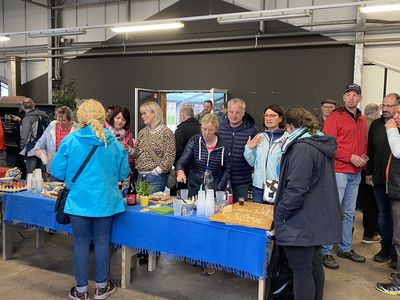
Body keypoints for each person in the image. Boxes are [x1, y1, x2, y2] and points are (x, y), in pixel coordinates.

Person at [52, 99, 130, 300]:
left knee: (80, 243)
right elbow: (123, 174)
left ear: (81, 117)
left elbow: (57, 170)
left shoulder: (71, 140)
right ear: (104, 117)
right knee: (103, 242)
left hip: (78, 201)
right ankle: (102, 288)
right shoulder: (114, 143)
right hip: (106, 201)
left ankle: (80, 291)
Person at [274, 106, 341, 300]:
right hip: (315, 217)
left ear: (289, 126)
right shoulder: (318, 143)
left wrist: (280, 214)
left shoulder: (302, 148)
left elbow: (296, 189)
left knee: (302, 270)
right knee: (313, 266)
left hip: (301, 220)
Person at [321, 83, 368, 269]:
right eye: (348, 94)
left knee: (349, 213)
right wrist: (350, 157)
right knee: (333, 211)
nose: (351, 98)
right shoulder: (335, 117)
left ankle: (345, 248)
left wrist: (363, 158)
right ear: (343, 97)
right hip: (339, 171)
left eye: (355, 95)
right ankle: (324, 251)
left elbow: (362, 143)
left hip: (355, 173)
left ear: (359, 99)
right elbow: (328, 144)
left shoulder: (362, 119)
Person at [366, 93, 400, 264]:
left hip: (396, 183)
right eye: (383, 105)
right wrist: (369, 172)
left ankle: (396, 255)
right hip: (380, 178)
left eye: (389, 106)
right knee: (383, 215)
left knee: (397, 218)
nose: (385, 109)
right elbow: (370, 149)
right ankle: (385, 248)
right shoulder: (376, 125)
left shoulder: (397, 125)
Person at [376, 99, 400, 295]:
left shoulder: (394, 131)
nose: (395, 117)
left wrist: (391, 129)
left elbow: (398, 151)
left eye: (399, 113)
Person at [176, 113, 230, 197]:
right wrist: (180, 170)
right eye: (204, 129)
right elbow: (184, 159)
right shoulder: (194, 141)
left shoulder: (224, 146)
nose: (206, 132)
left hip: (214, 185)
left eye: (210, 130)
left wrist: (219, 188)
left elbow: (227, 169)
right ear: (201, 127)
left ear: (216, 129)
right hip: (194, 185)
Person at [244, 104, 287, 204]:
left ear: (280, 118)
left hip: (275, 185)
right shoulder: (260, 137)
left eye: (272, 116)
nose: (268, 118)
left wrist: (287, 146)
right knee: (258, 217)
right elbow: (252, 162)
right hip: (258, 185)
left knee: (272, 216)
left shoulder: (287, 138)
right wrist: (249, 148)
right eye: (266, 115)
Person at [218, 98, 258, 202]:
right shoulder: (219, 128)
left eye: (238, 112)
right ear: (227, 111)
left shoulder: (252, 130)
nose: (234, 115)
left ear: (243, 113)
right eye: (231, 112)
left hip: (241, 180)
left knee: (239, 212)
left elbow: (256, 156)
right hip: (220, 178)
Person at [134, 101, 175, 194]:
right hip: (140, 176)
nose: (142, 116)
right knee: (140, 206)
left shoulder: (166, 132)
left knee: (152, 207)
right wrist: (128, 149)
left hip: (156, 178)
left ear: (154, 113)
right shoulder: (142, 132)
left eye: (145, 113)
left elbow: (170, 155)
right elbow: (136, 153)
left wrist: (157, 171)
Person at [358, 103, 381, 245]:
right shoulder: (375, 126)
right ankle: (370, 233)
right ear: (375, 114)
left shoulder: (360, 124)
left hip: (358, 168)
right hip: (370, 169)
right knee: (373, 202)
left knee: (366, 201)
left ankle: (369, 232)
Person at [33, 106, 76, 179]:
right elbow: (41, 141)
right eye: (58, 120)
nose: (60, 123)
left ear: (69, 120)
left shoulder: (76, 130)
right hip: (54, 169)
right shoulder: (52, 126)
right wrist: (38, 151)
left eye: (63, 120)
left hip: (70, 170)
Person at [19, 97, 48, 175]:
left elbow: (24, 135)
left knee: (30, 174)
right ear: (33, 105)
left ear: (22, 106)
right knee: (41, 174)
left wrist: (22, 148)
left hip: (31, 149)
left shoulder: (27, 118)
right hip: (42, 149)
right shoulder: (42, 115)